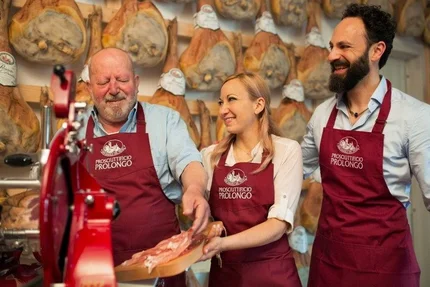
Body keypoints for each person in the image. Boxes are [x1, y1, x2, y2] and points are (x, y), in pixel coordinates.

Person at [301, 4, 430, 287]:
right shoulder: (322, 115)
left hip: (387, 271)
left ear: (376, 51)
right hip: (329, 267)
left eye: (344, 46)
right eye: (331, 46)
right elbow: (291, 171)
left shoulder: (415, 117)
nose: (332, 55)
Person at [81, 47, 209, 286]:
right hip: (94, 272)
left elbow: (189, 162)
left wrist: (194, 189)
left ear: (137, 82)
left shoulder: (165, 120)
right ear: (89, 87)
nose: (114, 89)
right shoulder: (72, 131)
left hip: (160, 267)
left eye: (122, 79)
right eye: (103, 81)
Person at [199, 72, 303, 287]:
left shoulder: (286, 151)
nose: (222, 110)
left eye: (231, 100)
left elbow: (278, 225)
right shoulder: (211, 156)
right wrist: (208, 225)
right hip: (226, 275)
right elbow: (198, 212)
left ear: (258, 105)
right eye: (221, 102)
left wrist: (223, 243)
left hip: (272, 275)